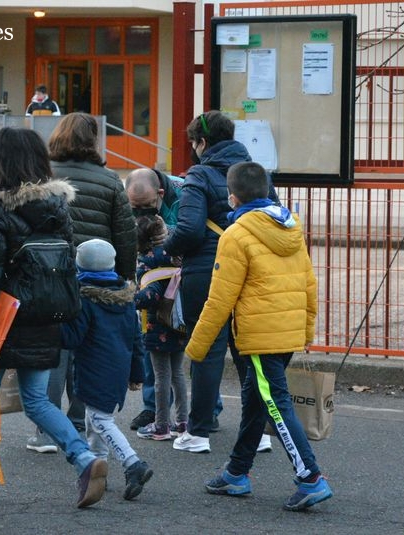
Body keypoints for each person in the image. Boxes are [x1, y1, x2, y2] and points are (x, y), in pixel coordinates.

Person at [0, 126, 108, 508]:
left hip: (2, 322)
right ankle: (84, 458)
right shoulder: (58, 206)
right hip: (45, 315)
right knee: (37, 400)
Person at [186, 161, 332, 511]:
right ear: (267, 191)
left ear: (232, 197)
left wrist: (197, 347)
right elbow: (309, 283)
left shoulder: (235, 235)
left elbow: (220, 299)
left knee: (276, 405)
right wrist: (306, 330)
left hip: (260, 336)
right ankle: (236, 472)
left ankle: (310, 477)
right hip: (287, 331)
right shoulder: (291, 227)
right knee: (255, 400)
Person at [25, 112, 136, 453]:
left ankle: (47, 430)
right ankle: (76, 420)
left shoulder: (43, 176)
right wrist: (125, 277)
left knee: (56, 349)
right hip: (95, 276)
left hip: (52, 275)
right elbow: (125, 234)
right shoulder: (110, 180)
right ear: (93, 141)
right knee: (88, 349)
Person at [162, 110, 253, 454]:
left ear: (201, 142)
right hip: (249, 270)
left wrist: (166, 249)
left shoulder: (200, 174)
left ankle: (199, 432)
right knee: (247, 351)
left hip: (207, 269)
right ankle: (257, 431)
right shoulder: (253, 172)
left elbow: (189, 230)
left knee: (207, 349)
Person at [61, 239, 153, 500]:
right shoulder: (125, 298)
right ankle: (97, 470)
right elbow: (136, 339)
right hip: (118, 369)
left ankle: (133, 463)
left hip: (94, 369)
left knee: (101, 420)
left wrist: (58, 322)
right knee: (94, 420)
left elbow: (72, 338)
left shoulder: (85, 299)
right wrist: (137, 374)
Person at [124, 167, 183, 430]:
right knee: (155, 351)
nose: (140, 214)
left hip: (181, 282)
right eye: (134, 208)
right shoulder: (128, 198)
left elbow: (195, 230)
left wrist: (168, 232)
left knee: (190, 356)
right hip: (152, 277)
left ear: (160, 193)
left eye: (146, 207)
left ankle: (205, 411)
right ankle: (153, 410)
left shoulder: (184, 193)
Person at [134, 215, 188, 441]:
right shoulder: (177, 255)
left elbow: (150, 295)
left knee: (161, 377)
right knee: (178, 374)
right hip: (179, 322)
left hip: (157, 326)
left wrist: (131, 298)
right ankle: (183, 422)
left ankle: (161, 425)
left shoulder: (148, 261)